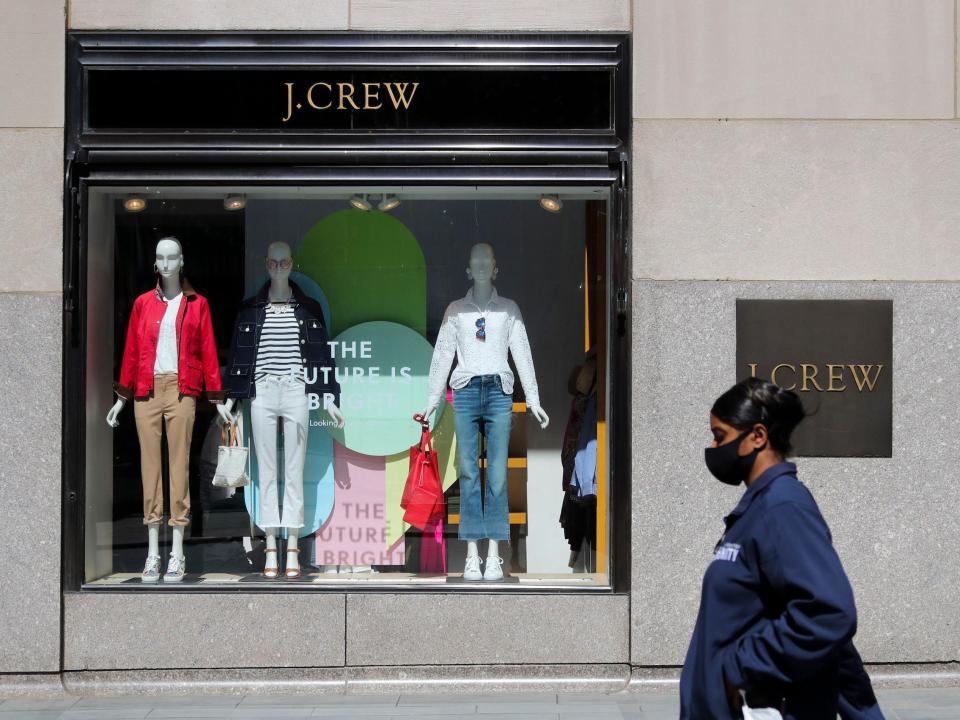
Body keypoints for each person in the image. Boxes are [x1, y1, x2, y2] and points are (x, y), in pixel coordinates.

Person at [680, 378, 884, 720]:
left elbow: (828, 612)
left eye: (720, 436)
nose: (713, 448)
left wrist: (738, 668)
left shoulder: (783, 508)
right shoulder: (760, 508)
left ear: (757, 437)